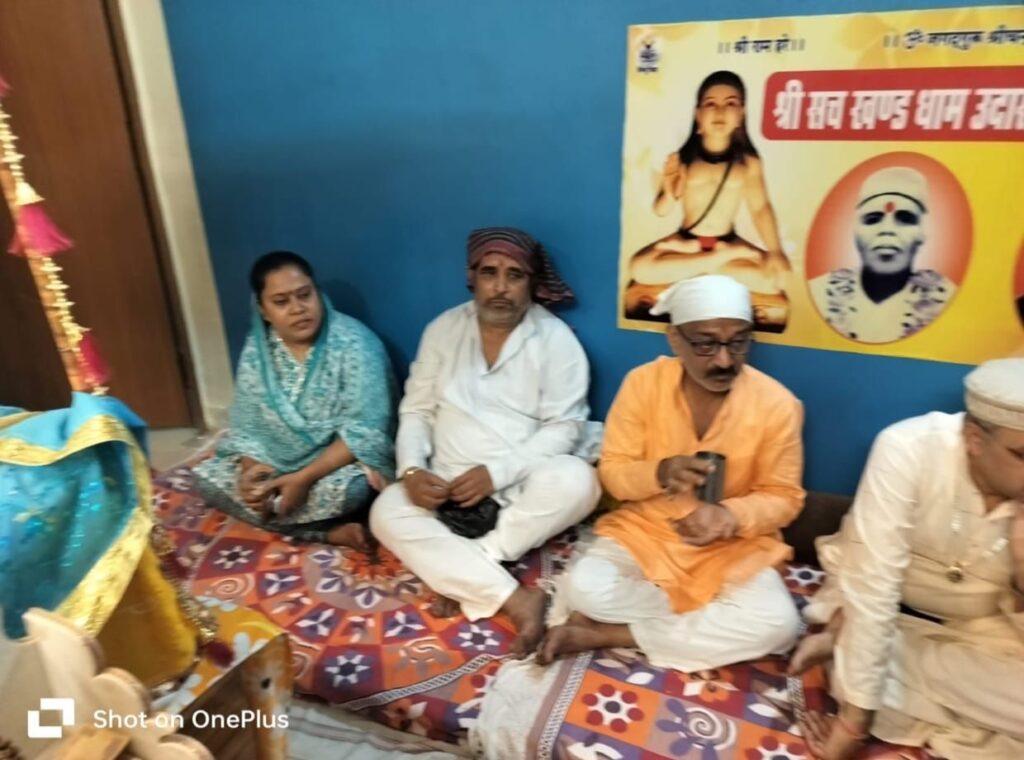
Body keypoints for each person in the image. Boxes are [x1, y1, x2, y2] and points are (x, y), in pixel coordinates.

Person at [540, 274, 804, 670]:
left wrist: (730, 515)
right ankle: (703, 618)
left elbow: (785, 497)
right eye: (706, 344)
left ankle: (609, 634)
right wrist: (660, 473)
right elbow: (613, 474)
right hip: (647, 533)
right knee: (585, 589)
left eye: (738, 342)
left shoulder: (778, 405)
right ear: (675, 339)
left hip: (732, 549)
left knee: (779, 626)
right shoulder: (643, 384)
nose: (724, 360)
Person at [370, 227, 600, 656]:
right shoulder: (442, 330)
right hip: (445, 486)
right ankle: (518, 599)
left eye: (515, 275)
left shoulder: (556, 341)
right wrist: (413, 470)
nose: (500, 288)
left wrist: (495, 475)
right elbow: (416, 410)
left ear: (531, 282)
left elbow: (565, 427)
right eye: (489, 273)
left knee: (580, 481)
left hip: (517, 486)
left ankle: (475, 562)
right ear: (470, 276)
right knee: (385, 510)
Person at [790, 358, 1024, 760]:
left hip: (985, 634)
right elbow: (873, 588)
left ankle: (849, 648)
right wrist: (853, 725)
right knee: (864, 685)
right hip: (890, 610)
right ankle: (859, 656)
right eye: (1022, 454)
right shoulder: (908, 449)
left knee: (870, 680)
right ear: (974, 438)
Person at [194, 251, 396, 548]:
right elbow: (248, 429)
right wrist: (253, 477)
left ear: (317, 292)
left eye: (304, 295)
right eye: (281, 302)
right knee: (206, 480)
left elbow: (366, 432)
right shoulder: (258, 350)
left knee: (353, 490)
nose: (298, 309)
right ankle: (324, 532)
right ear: (263, 310)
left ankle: (310, 525)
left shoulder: (356, 343)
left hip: (330, 468)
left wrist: (303, 479)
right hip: (273, 463)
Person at [623, 71, 791, 332]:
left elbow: (760, 209)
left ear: (741, 114)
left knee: (776, 279)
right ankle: (717, 261)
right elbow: (662, 210)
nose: (720, 112)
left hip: (726, 241)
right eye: (711, 104)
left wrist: (776, 251)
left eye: (730, 103)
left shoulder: (748, 163)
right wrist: (669, 188)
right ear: (698, 114)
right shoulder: (684, 158)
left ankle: (709, 263)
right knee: (638, 268)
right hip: (687, 242)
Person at [809, 166, 956, 344]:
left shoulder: (947, 300)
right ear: (855, 232)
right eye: (872, 219)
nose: (887, 229)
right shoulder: (819, 294)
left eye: (905, 219)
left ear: (922, 234)